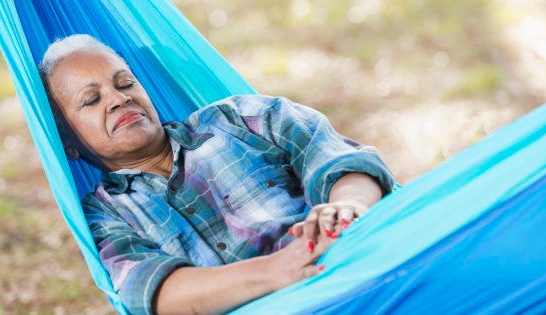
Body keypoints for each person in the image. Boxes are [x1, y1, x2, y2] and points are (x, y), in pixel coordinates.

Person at [39, 34, 395, 315]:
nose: (119, 99)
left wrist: (348, 206)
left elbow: (339, 158)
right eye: (91, 100)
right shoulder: (105, 214)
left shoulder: (238, 118)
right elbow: (151, 290)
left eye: (126, 83)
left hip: (357, 269)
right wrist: (273, 272)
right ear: (67, 144)